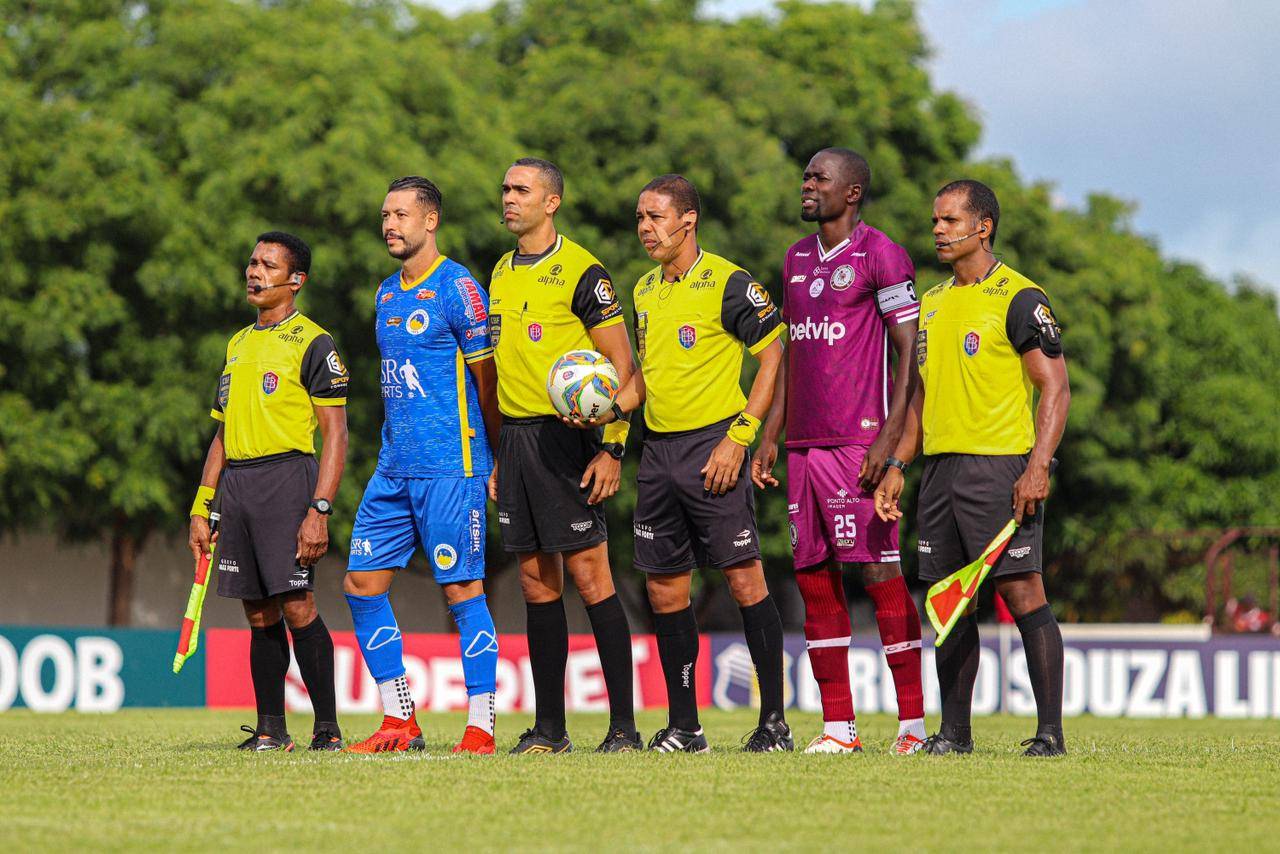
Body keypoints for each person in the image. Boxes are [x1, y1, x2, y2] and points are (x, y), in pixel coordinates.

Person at [583, 174, 790, 752]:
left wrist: (740, 437)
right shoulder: (646, 289)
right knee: (665, 593)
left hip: (713, 446)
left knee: (745, 579)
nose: (645, 228)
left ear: (688, 220)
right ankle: (685, 726)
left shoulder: (729, 283)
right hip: (660, 454)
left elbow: (773, 356)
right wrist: (606, 418)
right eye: (640, 217)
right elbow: (645, 378)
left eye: (655, 217)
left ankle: (773, 722)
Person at [875, 179, 1072, 756]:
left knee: (1022, 592)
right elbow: (917, 400)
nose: (937, 230)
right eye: (935, 221)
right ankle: (955, 734)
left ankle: (1050, 735)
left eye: (950, 221)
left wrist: (1038, 467)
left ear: (982, 226)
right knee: (948, 601)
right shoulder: (931, 304)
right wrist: (897, 465)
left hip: (1000, 469)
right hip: (939, 473)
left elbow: (1054, 388)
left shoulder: (1019, 297)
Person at [753, 148, 927, 755]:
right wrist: (772, 430)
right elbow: (795, 351)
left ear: (851, 192)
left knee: (880, 573)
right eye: (805, 176)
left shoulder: (882, 254)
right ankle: (838, 728)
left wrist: (890, 436)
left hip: (859, 442)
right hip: (802, 444)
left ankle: (911, 725)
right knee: (812, 578)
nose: (806, 186)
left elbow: (910, 354)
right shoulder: (795, 258)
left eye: (818, 178)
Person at [342, 177, 503, 755]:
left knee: (462, 589)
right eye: (385, 214)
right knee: (361, 583)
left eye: (402, 215)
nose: (390, 224)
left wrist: (494, 458)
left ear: (430, 220)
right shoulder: (386, 293)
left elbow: (488, 385)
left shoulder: (460, 287)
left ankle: (481, 726)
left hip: (450, 467)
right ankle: (399, 720)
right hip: (394, 467)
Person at [489, 158, 641, 753]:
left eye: (521, 190)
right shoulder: (500, 271)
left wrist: (611, 448)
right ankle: (549, 728)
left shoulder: (582, 271)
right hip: (518, 441)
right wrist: (501, 454)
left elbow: (623, 366)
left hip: (569, 439)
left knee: (590, 575)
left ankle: (623, 728)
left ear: (551, 202)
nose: (508, 198)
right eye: (505, 189)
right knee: (534, 582)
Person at [188, 231, 349, 752]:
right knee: (257, 611)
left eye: (268, 265)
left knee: (297, 604)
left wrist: (319, 509)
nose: (254, 272)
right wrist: (202, 505)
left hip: (288, 481)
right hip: (238, 488)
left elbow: (336, 435)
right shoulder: (237, 343)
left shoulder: (314, 342)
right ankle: (270, 730)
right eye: (252, 261)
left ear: (295, 280)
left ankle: (326, 729)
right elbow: (221, 434)